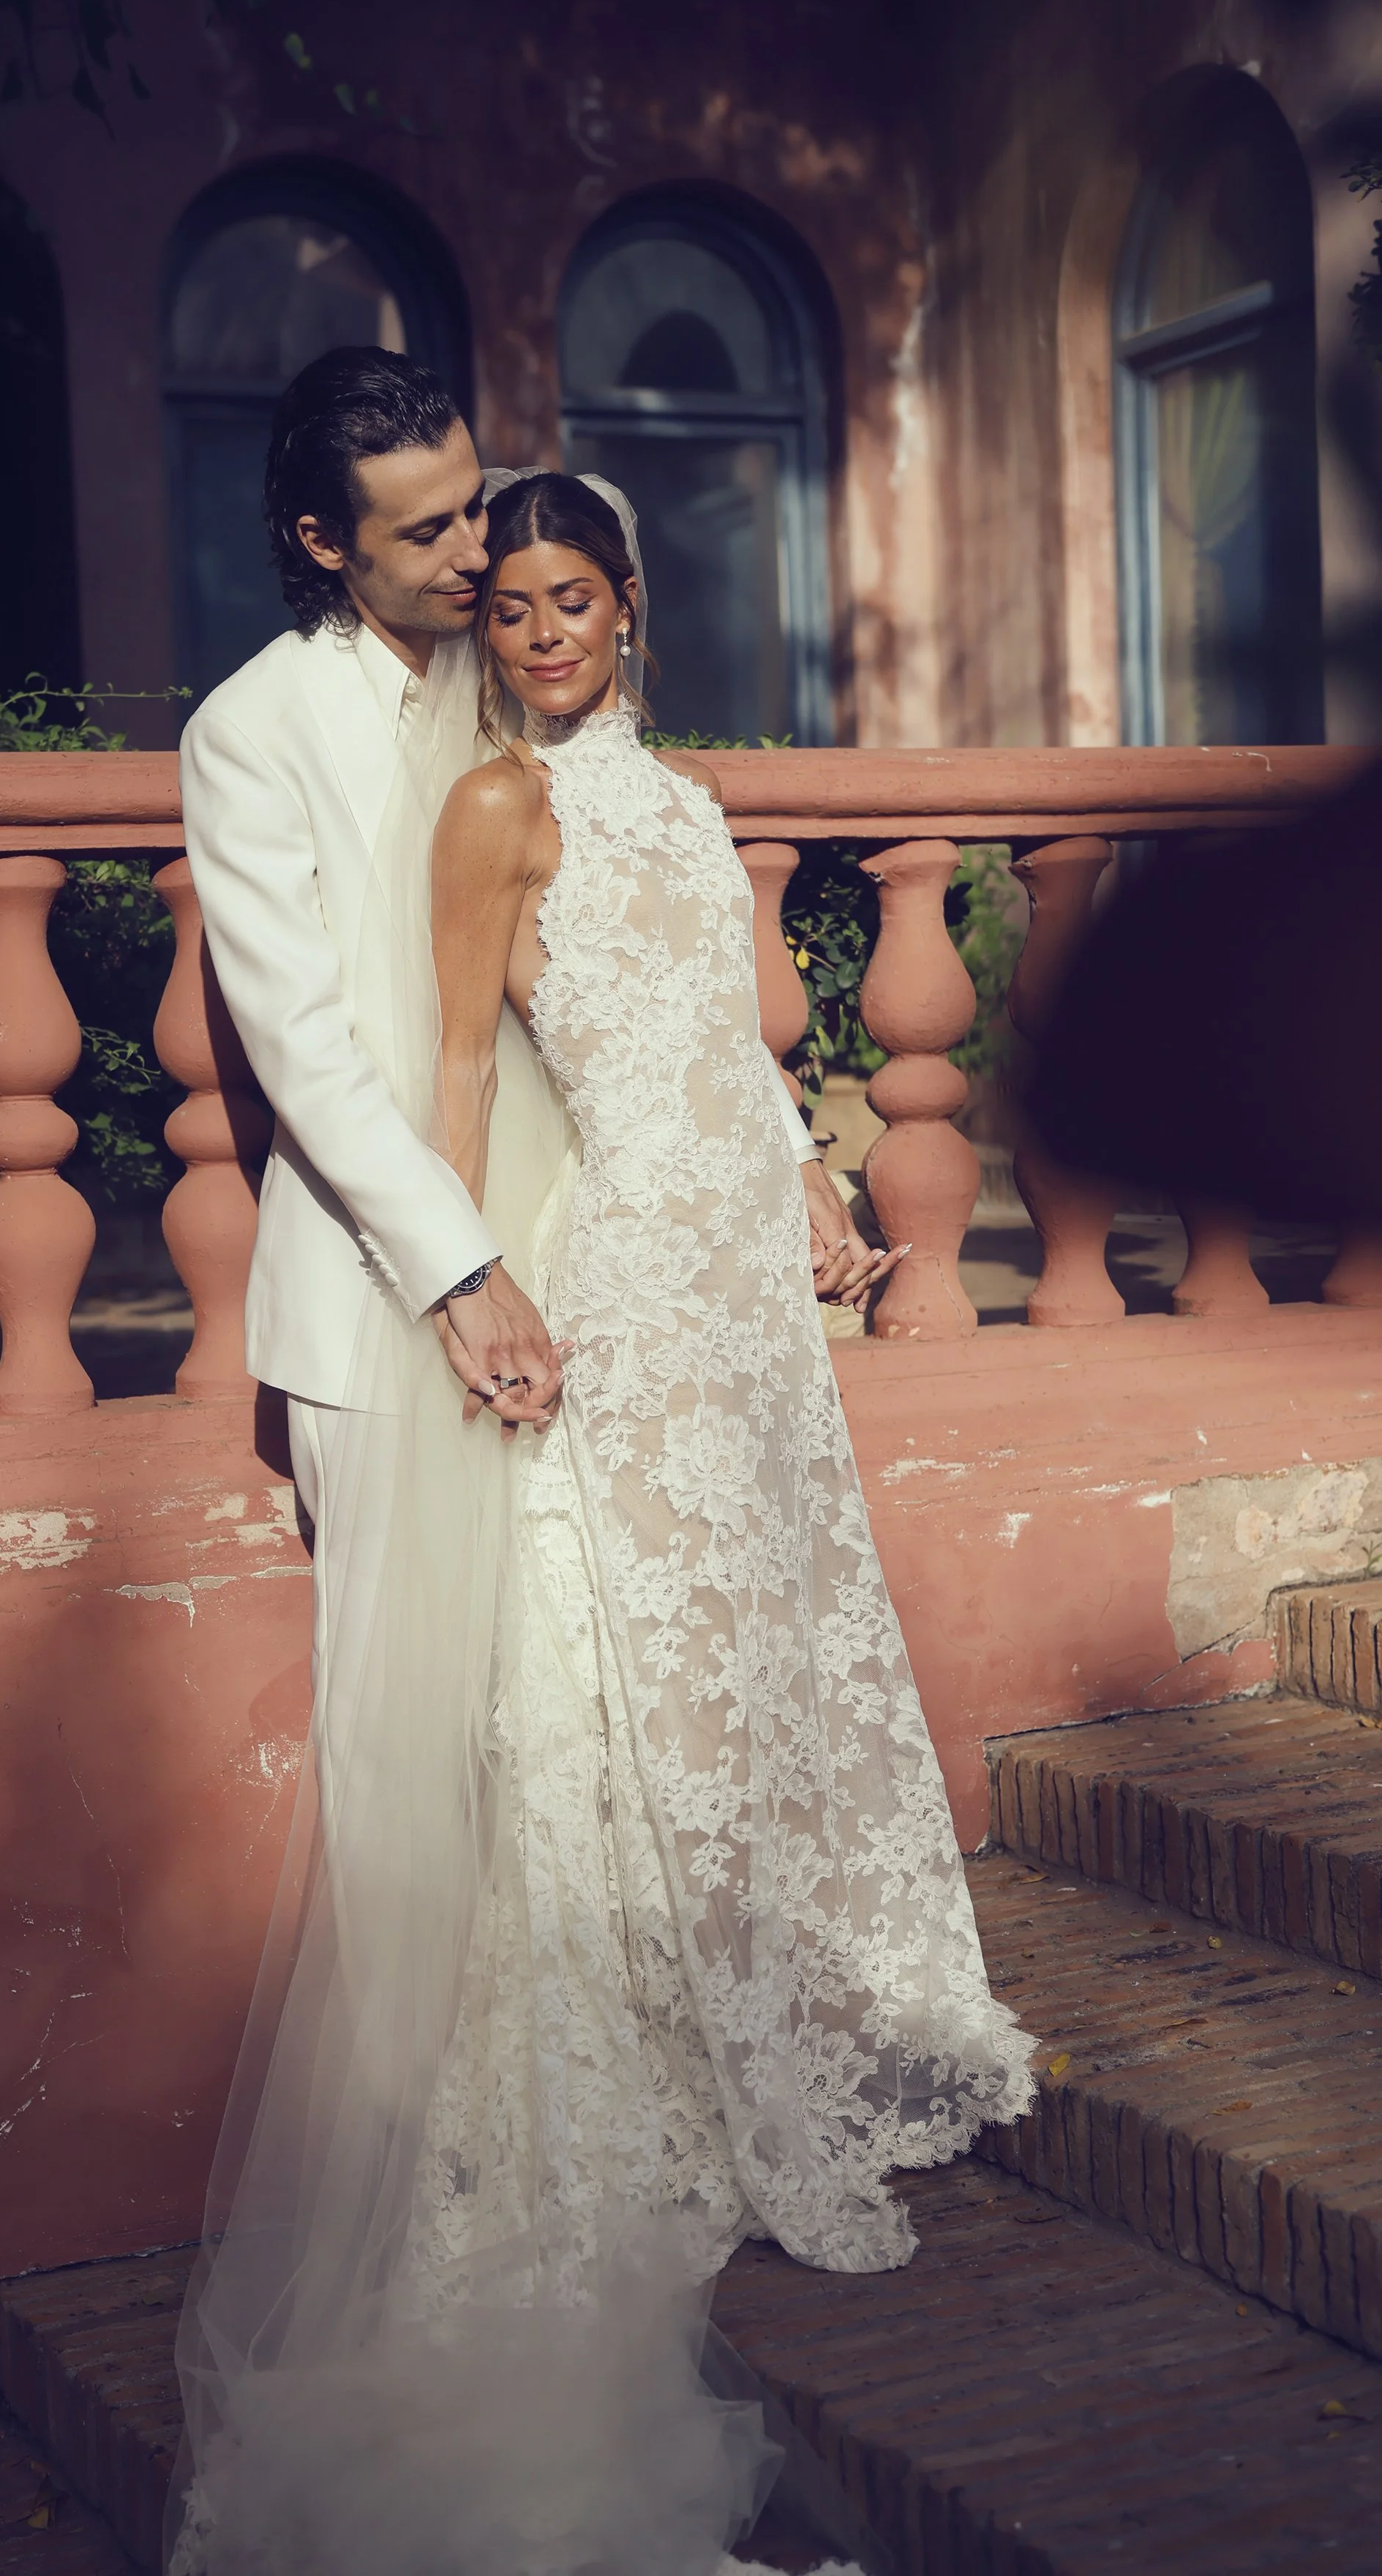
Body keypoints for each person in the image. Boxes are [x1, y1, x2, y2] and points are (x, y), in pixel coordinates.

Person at [172, 392, 1033, 2576]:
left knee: (630, 1679)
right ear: (316, 539)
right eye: (434, 527)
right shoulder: (257, 732)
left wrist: (800, 1183)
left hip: (626, 1280)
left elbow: (686, 1006)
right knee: (422, 1741)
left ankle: (694, 2055)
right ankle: (449, 2172)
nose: (479, 557)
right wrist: (462, 1278)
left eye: (492, 519)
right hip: (412, 1289)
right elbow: (328, 1049)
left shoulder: (542, 706)